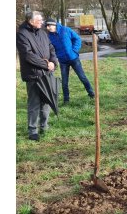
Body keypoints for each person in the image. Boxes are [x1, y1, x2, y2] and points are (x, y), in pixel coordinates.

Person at [16, 11, 57, 141]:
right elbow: (27, 55)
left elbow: (51, 48)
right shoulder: (22, 34)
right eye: (39, 20)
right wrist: (46, 64)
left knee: (46, 101)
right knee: (34, 103)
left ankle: (44, 126)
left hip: (47, 73)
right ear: (31, 21)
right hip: (33, 74)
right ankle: (32, 130)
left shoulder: (43, 33)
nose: (42, 22)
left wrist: (53, 62)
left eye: (41, 20)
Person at [45, 18, 95, 105]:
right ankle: (66, 100)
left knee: (82, 77)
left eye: (49, 26)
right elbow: (50, 49)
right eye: (46, 26)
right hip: (63, 61)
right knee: (64, 81)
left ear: (54, 24)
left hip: (74, 58)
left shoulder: (65, 30)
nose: (48, 28)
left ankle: (91, 94)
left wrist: (74, 50)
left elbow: (77, 39)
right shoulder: (49, 36)